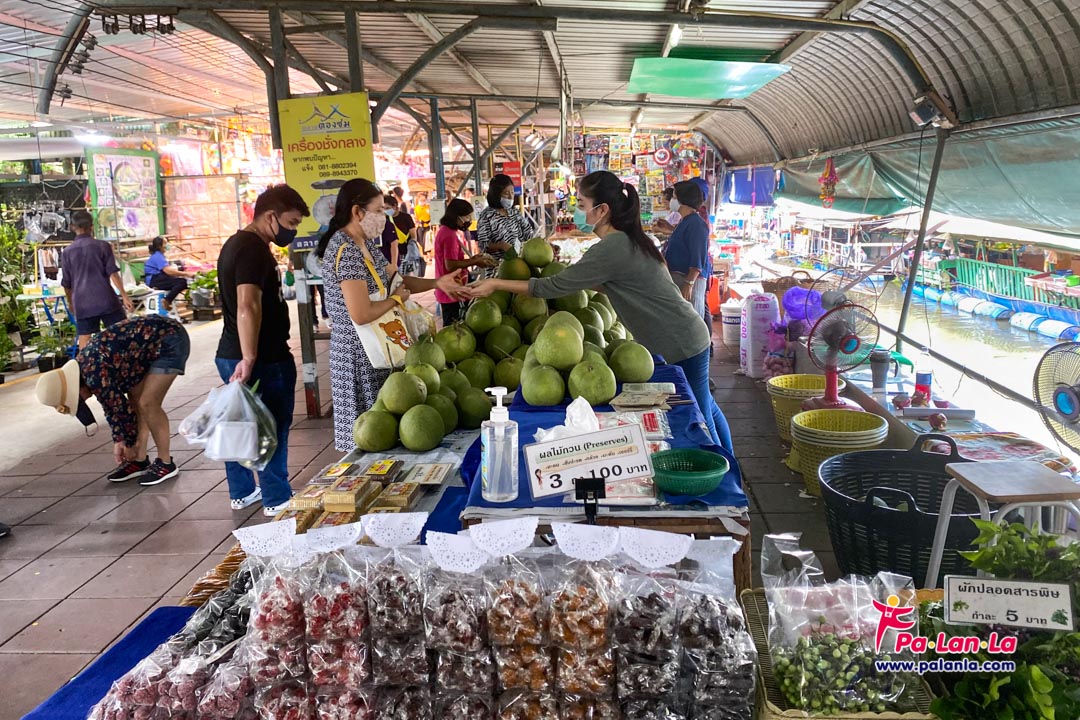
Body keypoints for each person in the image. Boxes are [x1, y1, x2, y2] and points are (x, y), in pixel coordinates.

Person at [467, 170, 733, 451]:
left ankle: (726, 475)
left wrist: (496, 283)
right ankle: (732, 466)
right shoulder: (627, 240)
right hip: (685, 334)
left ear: (602, 210)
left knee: (701, 415)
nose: (577, 211)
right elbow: (608, 285)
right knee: (708, 407)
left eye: (581, 205)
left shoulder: (613, 247)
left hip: (681, 341)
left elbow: (552, 287)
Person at [316, 179, 471, 452]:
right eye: (378, 211)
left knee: (387, 433)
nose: (384, 219)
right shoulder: (346, 250)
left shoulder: (367, 248)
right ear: (357, 212)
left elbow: (400, 281)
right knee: (368, 437)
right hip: (358, 358)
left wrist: (438, 283)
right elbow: (361, 313)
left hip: (379, 349)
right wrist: (396, 299)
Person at [216, 184, 310, 517]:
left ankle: (242, 492)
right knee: (271, 425)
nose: (293, 230)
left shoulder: (233, 244)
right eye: (292, 221)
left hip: (230, 351)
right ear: (271, 216)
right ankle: (276, 498)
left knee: (240, 423)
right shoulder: (253, 249)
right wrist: (251, 357)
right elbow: (247, 305)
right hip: (262, 357)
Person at [36, 315, 191, 485]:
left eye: (79, 401)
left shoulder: (94, 374)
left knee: (148, 403)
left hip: (169, 339)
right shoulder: (86, 367)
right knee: (135, 399)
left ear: (77, 389)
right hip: (146, 348)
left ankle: (166, 462)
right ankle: (139, 460)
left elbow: (119, 409)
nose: (86, 401)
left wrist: (128, 442)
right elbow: (111, 407)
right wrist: (121, 440)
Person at [61, 209, 133, 348]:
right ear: (91, 226)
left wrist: (71, 303)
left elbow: (67, 283)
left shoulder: (67, 252)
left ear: (73, 227)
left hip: (82, 302)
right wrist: (124, 296)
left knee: (85, 337)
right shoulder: (102, 246)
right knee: (119, 332)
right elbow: (113, 273)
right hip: (105, 299)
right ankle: (121, 363)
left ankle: (83, 367)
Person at [435, 198, 496, 324]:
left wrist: (474, 259)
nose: (469, 220)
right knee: (453, 328)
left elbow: (456, 259)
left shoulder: (452, 232)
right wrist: (474, 262)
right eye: (467, 217)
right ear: (458, 217)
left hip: (456, 288)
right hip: (451, 292)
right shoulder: (449, 235)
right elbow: (450, 265)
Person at [664, 180, 710, 322]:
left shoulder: (696, 224)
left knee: (692, 320)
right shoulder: (684, 221)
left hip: (689, 280)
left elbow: (698, 257)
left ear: (683, 199)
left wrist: (688, 284)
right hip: (679, 278)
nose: (672, 200)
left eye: (674, 196)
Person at [476, 174, 534, 279]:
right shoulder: (486, 216)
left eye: (512, 192)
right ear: (496, 194)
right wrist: (501, 245)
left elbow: (529, 235)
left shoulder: (515, 213)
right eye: (506, 193)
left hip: (520, 267)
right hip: (497, 271)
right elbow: (483, 245)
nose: (511, 197)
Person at [144, 236, 196, 312]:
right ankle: (167, 300)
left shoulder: (159, 255)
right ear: (160, 246)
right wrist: (186, 274)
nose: (167, 245)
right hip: (154, 280)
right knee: (182, 282)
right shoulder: (158, 256)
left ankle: (167, 300)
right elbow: (168, 271)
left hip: (156, 278)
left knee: (178, 282)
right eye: (165, 243)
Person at [393, 197, 423, 277]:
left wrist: (412, 247)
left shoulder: (406, 217)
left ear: (395, 206)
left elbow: (413, 234)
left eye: (387, 208)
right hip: (394, 253)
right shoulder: (385, 219)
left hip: (407, 252)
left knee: (409, 274)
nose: (385, 210)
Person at [378, 194, 400, 268]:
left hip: (389, 262)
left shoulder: (387, 224)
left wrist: (394, 264)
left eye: (387, 208)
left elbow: (394, 245)